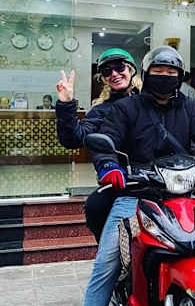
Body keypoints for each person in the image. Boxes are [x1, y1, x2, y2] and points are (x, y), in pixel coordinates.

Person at [82, 45, 195, 306]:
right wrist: (108, 165)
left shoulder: (189, 106)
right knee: (106, 262)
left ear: (179, 77)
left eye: (171, 72)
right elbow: (107, 142)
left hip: (185, 194)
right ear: (146, 73)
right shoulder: (125, 108)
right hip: (136, 193)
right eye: (158, 71)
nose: (164, 76)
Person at [55, 48, 142, 241]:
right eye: (107, 71)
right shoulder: (101, 110)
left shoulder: (150, 102)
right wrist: (66, 104)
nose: (114, 74)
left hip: (160, 179)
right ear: (103, 78)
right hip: (120, 180)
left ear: (131, 70)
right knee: (95, 206)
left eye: (119, 68)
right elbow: (74, 138)